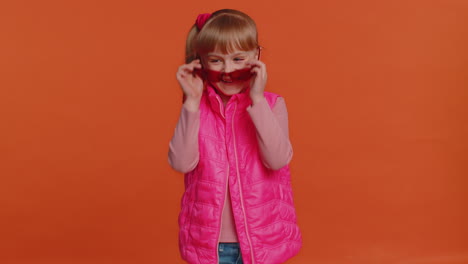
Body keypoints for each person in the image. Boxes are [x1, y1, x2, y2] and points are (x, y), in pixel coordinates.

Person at [168, 9, 302, 264]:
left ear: (256, 57)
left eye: (238, 58)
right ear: (201, 63)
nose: (228, 70)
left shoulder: (271, 105)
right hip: (213, 246)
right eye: (216, 61)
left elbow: (277, 160)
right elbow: (181, 163)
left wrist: (258, 100)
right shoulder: (196, 110)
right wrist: (191, 103)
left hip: (262, 241)